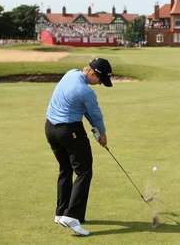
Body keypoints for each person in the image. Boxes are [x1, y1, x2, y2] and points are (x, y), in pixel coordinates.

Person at [45, 58, 113, 236]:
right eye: (100, 80)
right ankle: (72, 216)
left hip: (50, 129)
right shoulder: (86, 92)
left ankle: (61, 213)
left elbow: (85, 111)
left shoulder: (71, 74)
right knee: (84, 171)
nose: (99, 84)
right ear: (92, 73)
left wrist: (96, 131)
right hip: (69, 131)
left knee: (66, 169)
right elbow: (96, 115)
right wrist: (103, 134)